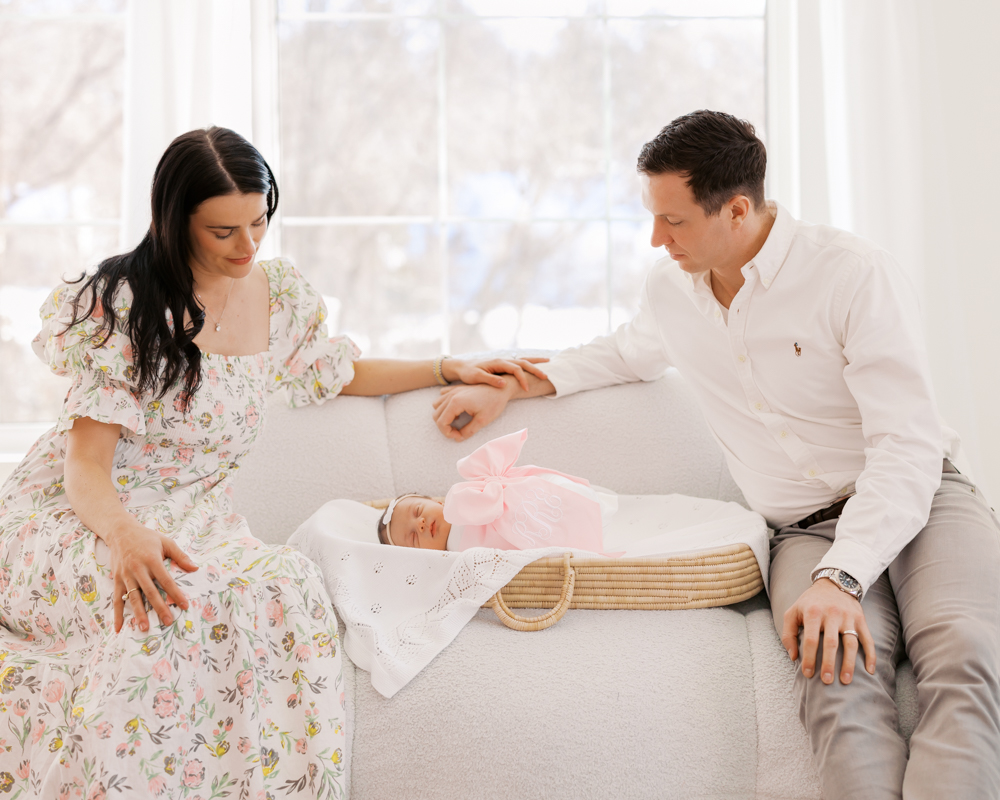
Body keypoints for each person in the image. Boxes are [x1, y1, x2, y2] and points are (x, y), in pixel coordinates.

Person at [429, 110, 1000, 799]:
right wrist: (509, 386)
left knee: (967, 650)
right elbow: (622, 353)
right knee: (837, 678)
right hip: (803, 530)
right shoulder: (670, 290)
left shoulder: (852, 275)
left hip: (924, 499)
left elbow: (906, 446)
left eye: (673, 222)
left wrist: (843, 577)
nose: (654, 239)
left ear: (736, 210)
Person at [0, 126, 545, 799]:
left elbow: (335, 371)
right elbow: (83, 467)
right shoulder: (125, 302)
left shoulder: (277, 292)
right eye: (223, 230)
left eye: (259, 221)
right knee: (174, 608)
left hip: (195, 522)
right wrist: (123, 535)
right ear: (175, 223)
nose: (248, 245)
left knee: (288, 584)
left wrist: (442, 365)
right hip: (82, 518)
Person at [377, 428, 612, 553]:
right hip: (521, 541)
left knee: (544, 498)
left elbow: (492, 491)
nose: (419, 525)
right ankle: (580, 536)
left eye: (418, 511)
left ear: (437, 503)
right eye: (412, 537)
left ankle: (582, 508)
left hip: (523, 505)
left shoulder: (459, 499)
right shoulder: (453, 558)